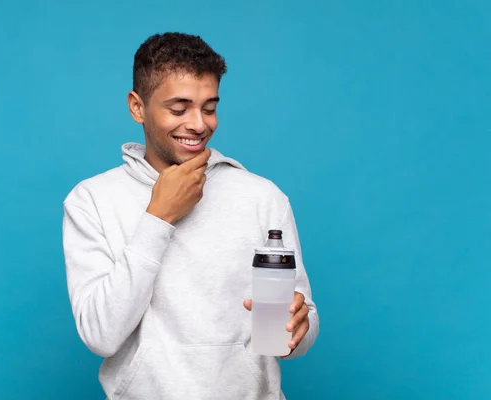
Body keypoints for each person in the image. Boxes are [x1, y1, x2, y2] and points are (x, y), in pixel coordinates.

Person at [62, 32, 319, 400]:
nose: (199, 124)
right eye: (179, 109)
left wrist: (298, 328)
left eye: (209, 107)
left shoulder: (262, 197)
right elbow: (101, 335)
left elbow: (302, 321)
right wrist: (159, 216)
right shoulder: (92, 200)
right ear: (138, 107)